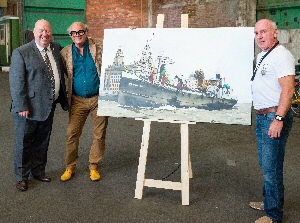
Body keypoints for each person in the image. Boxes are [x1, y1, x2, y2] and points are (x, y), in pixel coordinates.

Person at [9, 19, 69, 192]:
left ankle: (38, 171)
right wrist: (21, 106)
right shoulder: (21, 52)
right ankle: (21, 177)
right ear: (34, 32)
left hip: (48, 105)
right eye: (41, 31)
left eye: (48, 31)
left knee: (43, 141)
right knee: (24, 143)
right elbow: (16, 82)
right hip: (28, 109)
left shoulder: (56, 48)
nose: (45, 34)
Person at [250, 18, 295, 223]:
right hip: (263, 116)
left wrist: (278, 119)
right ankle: (270, 201)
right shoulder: (262, 55)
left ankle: (274, 214)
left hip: (273, 116)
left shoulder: (282, 56)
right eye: (257, 33)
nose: (260, 36)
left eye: (264, 32)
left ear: (275, 33)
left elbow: (288, 89)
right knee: (267, 164)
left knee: (272, 167)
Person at [60, 22, 108, 182]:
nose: (77, 35)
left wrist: (130, 32)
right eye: (73, 33)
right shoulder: (65, 52)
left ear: (86, 32)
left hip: (98, 99)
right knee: (71, 134)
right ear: (71, 35)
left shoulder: (99, 45)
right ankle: (70, 166)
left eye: (80, 31)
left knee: (99, 134)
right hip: (78, 100)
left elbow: (119, 44)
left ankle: (94, 166)